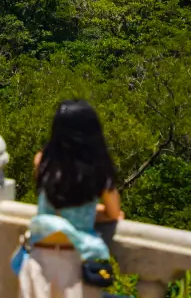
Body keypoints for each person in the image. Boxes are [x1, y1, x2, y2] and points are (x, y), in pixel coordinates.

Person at [14, 99, 123, 298]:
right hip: (74, 262)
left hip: (39, 258)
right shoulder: (97, 169)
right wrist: (92, 212)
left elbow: (55, 203)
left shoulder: (43, 161)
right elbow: (114, 213)